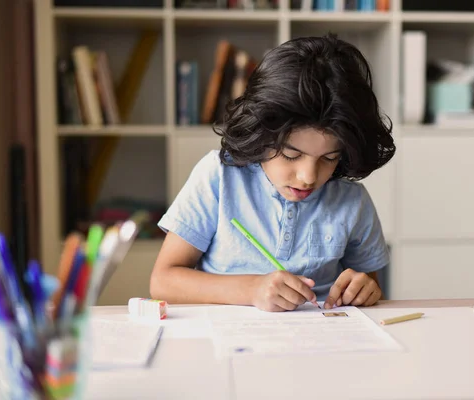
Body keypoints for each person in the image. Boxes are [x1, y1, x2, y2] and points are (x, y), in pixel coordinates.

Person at [150, 33, 395, 312]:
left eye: (329, 158)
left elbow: (371, 289)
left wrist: (366, 290)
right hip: (228, 343)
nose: (308, 177)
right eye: (291, 155)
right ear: (261, 136)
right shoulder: (219, 176)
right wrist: (252, 289)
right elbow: (163, 281)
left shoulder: (353, 201)